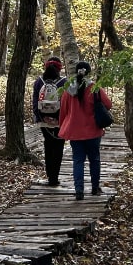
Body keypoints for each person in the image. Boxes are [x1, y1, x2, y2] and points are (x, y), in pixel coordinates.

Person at [58, 60, 112, 200]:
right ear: (89, 72)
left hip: (75, 132)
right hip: (93, 130)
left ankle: (79, 191)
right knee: (94, 159)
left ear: (76, 71)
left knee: (78, 160)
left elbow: (63, 111)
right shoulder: (95, 88)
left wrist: (62, 126)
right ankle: (95, 188)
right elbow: (108, 104)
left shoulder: (67, 89)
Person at [31, 56, 67, 186]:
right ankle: (54, 178)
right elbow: (67, 104)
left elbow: (35, 102)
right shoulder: (64, 82)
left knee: (48, 145)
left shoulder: (39, 81)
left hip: (43, 121)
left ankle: (49, 175)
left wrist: (41, 117)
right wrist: (60, 118)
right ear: (59, 68)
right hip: (59, 121)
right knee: (58, 147)